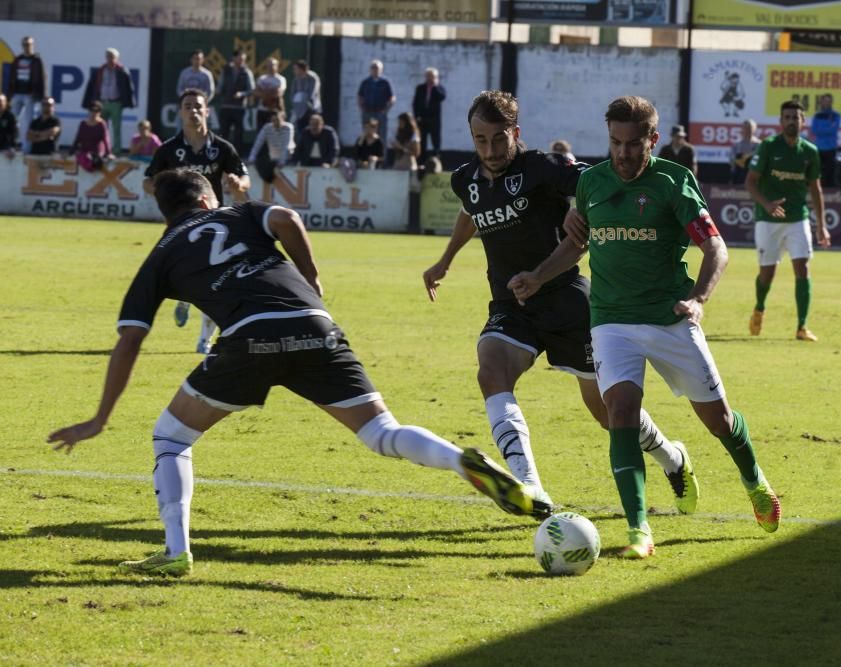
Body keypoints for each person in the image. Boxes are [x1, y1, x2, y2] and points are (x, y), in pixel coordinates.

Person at [47, 168, 535, 577]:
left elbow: (130, 338)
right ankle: (460, 462)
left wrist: (99, 418)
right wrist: (312, 276)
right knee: (381, 431)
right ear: (206, 198)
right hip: (314, 325)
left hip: (248, 338)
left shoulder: (161, 252)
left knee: (171, 438)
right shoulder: (238, 212)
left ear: (167, 212)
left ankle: (176, 553)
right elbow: (286, 217)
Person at [508, 95, 781, 559]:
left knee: (718, 420)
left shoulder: (675, 182)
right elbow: (577, 247)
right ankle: (639, 530)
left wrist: (698, 299)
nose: (623, 153)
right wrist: (537, 276)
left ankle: (755, 482)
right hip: (611, 320)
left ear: (653, 140)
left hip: (670, 317)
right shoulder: (591, 184)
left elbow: (716, 249)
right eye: (615, 142)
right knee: (622, 415)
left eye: (634, 144)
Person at [422, 90, 697, 522]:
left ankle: (672, 458)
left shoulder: (543, 167)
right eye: (480, 140)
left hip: (569, 301)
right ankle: (530, 486)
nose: (490, 150)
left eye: (498, 139)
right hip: (511, 303)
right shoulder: (466, 178)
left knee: (608, 414)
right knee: (491, 369)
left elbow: (602, 183)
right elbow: (470, 211)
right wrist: (444, 260)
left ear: (516, 133)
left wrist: (576, 206)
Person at [143, 89, 251, 354]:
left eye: (197, 106)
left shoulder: (222, 148)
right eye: (187, 106)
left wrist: (238, 185)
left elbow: (243, 178)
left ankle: (205, 340)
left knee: (216, 282)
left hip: (214, 224)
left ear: (207, 111)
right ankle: (185, 300)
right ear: (181, 112)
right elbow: (147, 180)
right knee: (187, 278)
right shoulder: (169, 149)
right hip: (180, 225)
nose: (193, 111)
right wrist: (160, 189)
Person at [746, 100, 831, 342]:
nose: (792, 121)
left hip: (798, 219)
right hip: (767, 219)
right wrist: (767, 204)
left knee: (802, 269)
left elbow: (816, 189)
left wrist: (821, 225)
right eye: (788, 117)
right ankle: (759, 307)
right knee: (767, 274)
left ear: (803, 122)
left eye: (797, 117)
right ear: (781, 121)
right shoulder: (768, 147)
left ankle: (802, 327)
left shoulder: (810, 152)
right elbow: (750, 182)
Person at [82, 48, 137, 154]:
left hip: (116, 103)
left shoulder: (122, 70)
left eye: (112, 57)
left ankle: (116, 151)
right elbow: (92, 86)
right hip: (102, 103)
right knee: (101, 128)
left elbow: (129, 87)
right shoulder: (100, 70)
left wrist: (129, 102)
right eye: (108, 57)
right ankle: (102, 150)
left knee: (116, 128)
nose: (110, 59)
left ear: (117, 58)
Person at [5, 36, 46, 151]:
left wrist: (41, 96)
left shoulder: (37, 60)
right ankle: (10, 145)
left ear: (33, 45)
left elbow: (42, 78)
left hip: (30, 94)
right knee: (11, 120)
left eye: (29, 45)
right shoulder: (17, 60)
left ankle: (26, 148)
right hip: (17, 93)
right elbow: (11, 78)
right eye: (24, 45)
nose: (27, 47)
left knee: (29, 122)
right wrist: (9, 95)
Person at [217, 50, 255, 150]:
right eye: (240, 59)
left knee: (239, 133)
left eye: (243, 59)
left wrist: (242, 94)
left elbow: (251, 90)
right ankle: (222, 153)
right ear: (234, 58)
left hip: (239, 107)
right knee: (223, 132)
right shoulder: (226, 70)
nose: (241, 61)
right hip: (226, 106)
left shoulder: (247, 72)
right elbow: (220, 87)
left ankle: (236, 154)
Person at [248, 110, 295, 184]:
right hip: (273, 154)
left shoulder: (288, 127)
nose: (275, 122)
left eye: (277, 120)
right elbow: (258, 143)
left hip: (288, 154)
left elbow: (286, 145)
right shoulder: (267, 127)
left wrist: (282, 161)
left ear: (282, 119)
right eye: (273, 120)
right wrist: (252, 157)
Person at [412, 67, 446, 162]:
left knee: (435, 141)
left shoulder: (439, 88)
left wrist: (435, 86)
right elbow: (415, 103)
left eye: (432, 76)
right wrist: (416, 116)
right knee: (422, 141)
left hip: (434, 119)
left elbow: (442, 97)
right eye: (428, 76)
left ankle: (436, 160)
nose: (430, 78)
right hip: (422, 119)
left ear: (436, 77)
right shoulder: (420, 88)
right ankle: (421, 161)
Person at [71, 101, 113, 172]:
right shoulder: (83, 124)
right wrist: (70, 153)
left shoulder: (101, 125)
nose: (93, 113)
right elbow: (77, 139)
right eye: (91, 110)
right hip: (84, 154)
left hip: (97, 155)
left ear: (100, 112)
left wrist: (109, 154)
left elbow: (106, 140)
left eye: (96, 111)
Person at [357, 59, 395, 137]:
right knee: (367, 136)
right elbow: (360, 96)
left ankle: (381, 149)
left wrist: (385, 110)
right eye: (373, 68)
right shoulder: (365, 82)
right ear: (370, 70)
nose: (375, 70)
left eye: (377, 68)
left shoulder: (385, 82)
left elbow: (392, 98)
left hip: (380, 113)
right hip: (367, 112)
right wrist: (362, 109)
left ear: (381, 70)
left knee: (381, 136)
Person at [810, 94, 841, 187]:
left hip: (831, 147)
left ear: (831, 102)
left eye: (829, 101)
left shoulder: (836, 115)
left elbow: (834, 130)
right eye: (825, 100)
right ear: (821, 102)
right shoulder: (817, 115)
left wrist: (822, 130)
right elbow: (814, 130)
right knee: (818, 172)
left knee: (830, 172)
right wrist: (827, 128)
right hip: (819, 147)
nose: (826, 103)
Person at [254, 58, 287, 132]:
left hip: (275, 111)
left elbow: (278, 93)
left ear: (277, 66)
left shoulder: (281, 79)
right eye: (269, 65)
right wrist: (271, 92)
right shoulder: (261, 78)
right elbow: (256, 92)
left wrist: (264, 92)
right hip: (262, 110)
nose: (271, 67)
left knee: (275, 133)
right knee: (261, 133)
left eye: (273, 65)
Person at [289, 60, 322, 133]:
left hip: (311, 110)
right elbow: (293, 94)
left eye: (296, 69)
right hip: (299, 111)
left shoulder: (313, 78)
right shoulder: (296, 79)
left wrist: (305, 101)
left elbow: (312, 94)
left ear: (302, 69)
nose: (294, 71)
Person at [729, 118, 761, 184]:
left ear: (754, 129)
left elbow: (760, 160)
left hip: (754, 175)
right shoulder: (736, 144)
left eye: (750, 127)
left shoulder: (759, 144)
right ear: (742, 129)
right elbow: (732, 160)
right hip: (739, 175)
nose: (747, 130)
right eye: (745, 127)